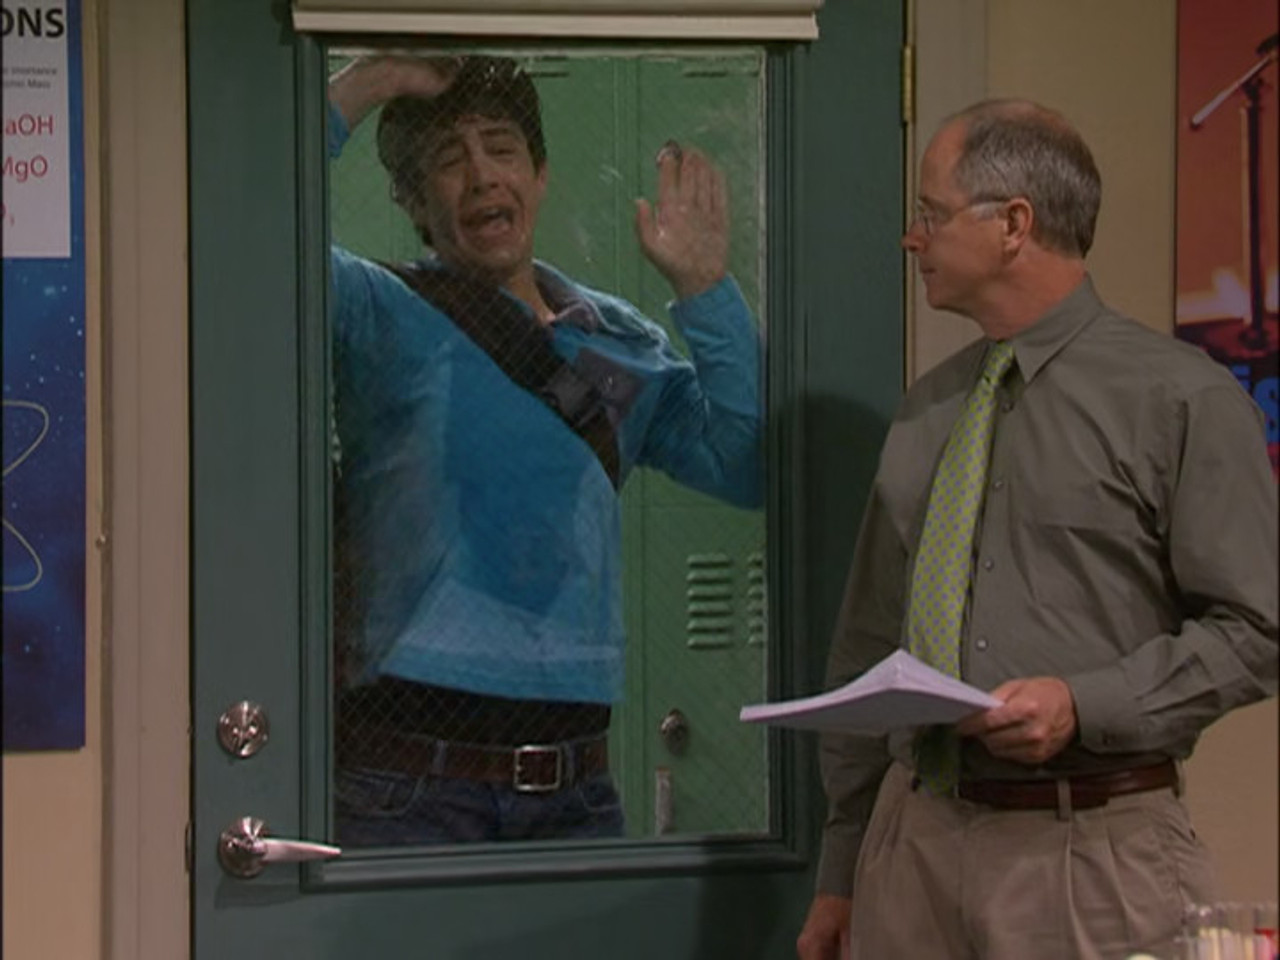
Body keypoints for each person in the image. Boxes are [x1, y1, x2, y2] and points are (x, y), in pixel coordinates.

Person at [796, 99, 1278, 960]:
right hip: (910, 855)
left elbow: (1257, 630)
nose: (912, 238)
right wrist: (842, 870)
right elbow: (868, 641)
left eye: (932, 214)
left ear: (1013, 225)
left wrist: (1083, 705)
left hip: (1090, 856)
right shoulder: (927, 409)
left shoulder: (1182, 401)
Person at [324, 54, 763, 846]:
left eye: (502, 148)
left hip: (578, 791)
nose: (483, 176)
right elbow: (250, 237)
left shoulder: (619, 338)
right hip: (408, 787)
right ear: (413, 202)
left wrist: (705, 289)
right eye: (450, 160)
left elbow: (748, 464)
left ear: (541, 174)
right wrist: (373, 79)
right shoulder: (378, 310)